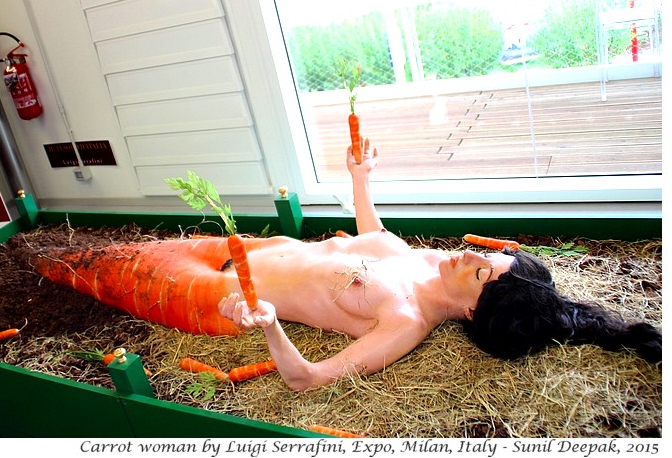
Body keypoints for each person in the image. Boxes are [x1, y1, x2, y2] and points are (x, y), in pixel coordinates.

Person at [33, 140, 661, 392]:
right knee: (106, 249)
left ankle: (35, 266)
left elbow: (308, 380)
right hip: (251, 249)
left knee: (90, 272)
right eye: (487, 255)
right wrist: (361, 177)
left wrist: (270, 323)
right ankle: (42, 257)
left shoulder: (403, 321)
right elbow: (373, 234)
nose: (470, 254)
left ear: (472, 308)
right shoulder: (423, 262)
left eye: (479, 271)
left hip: (216, 294)